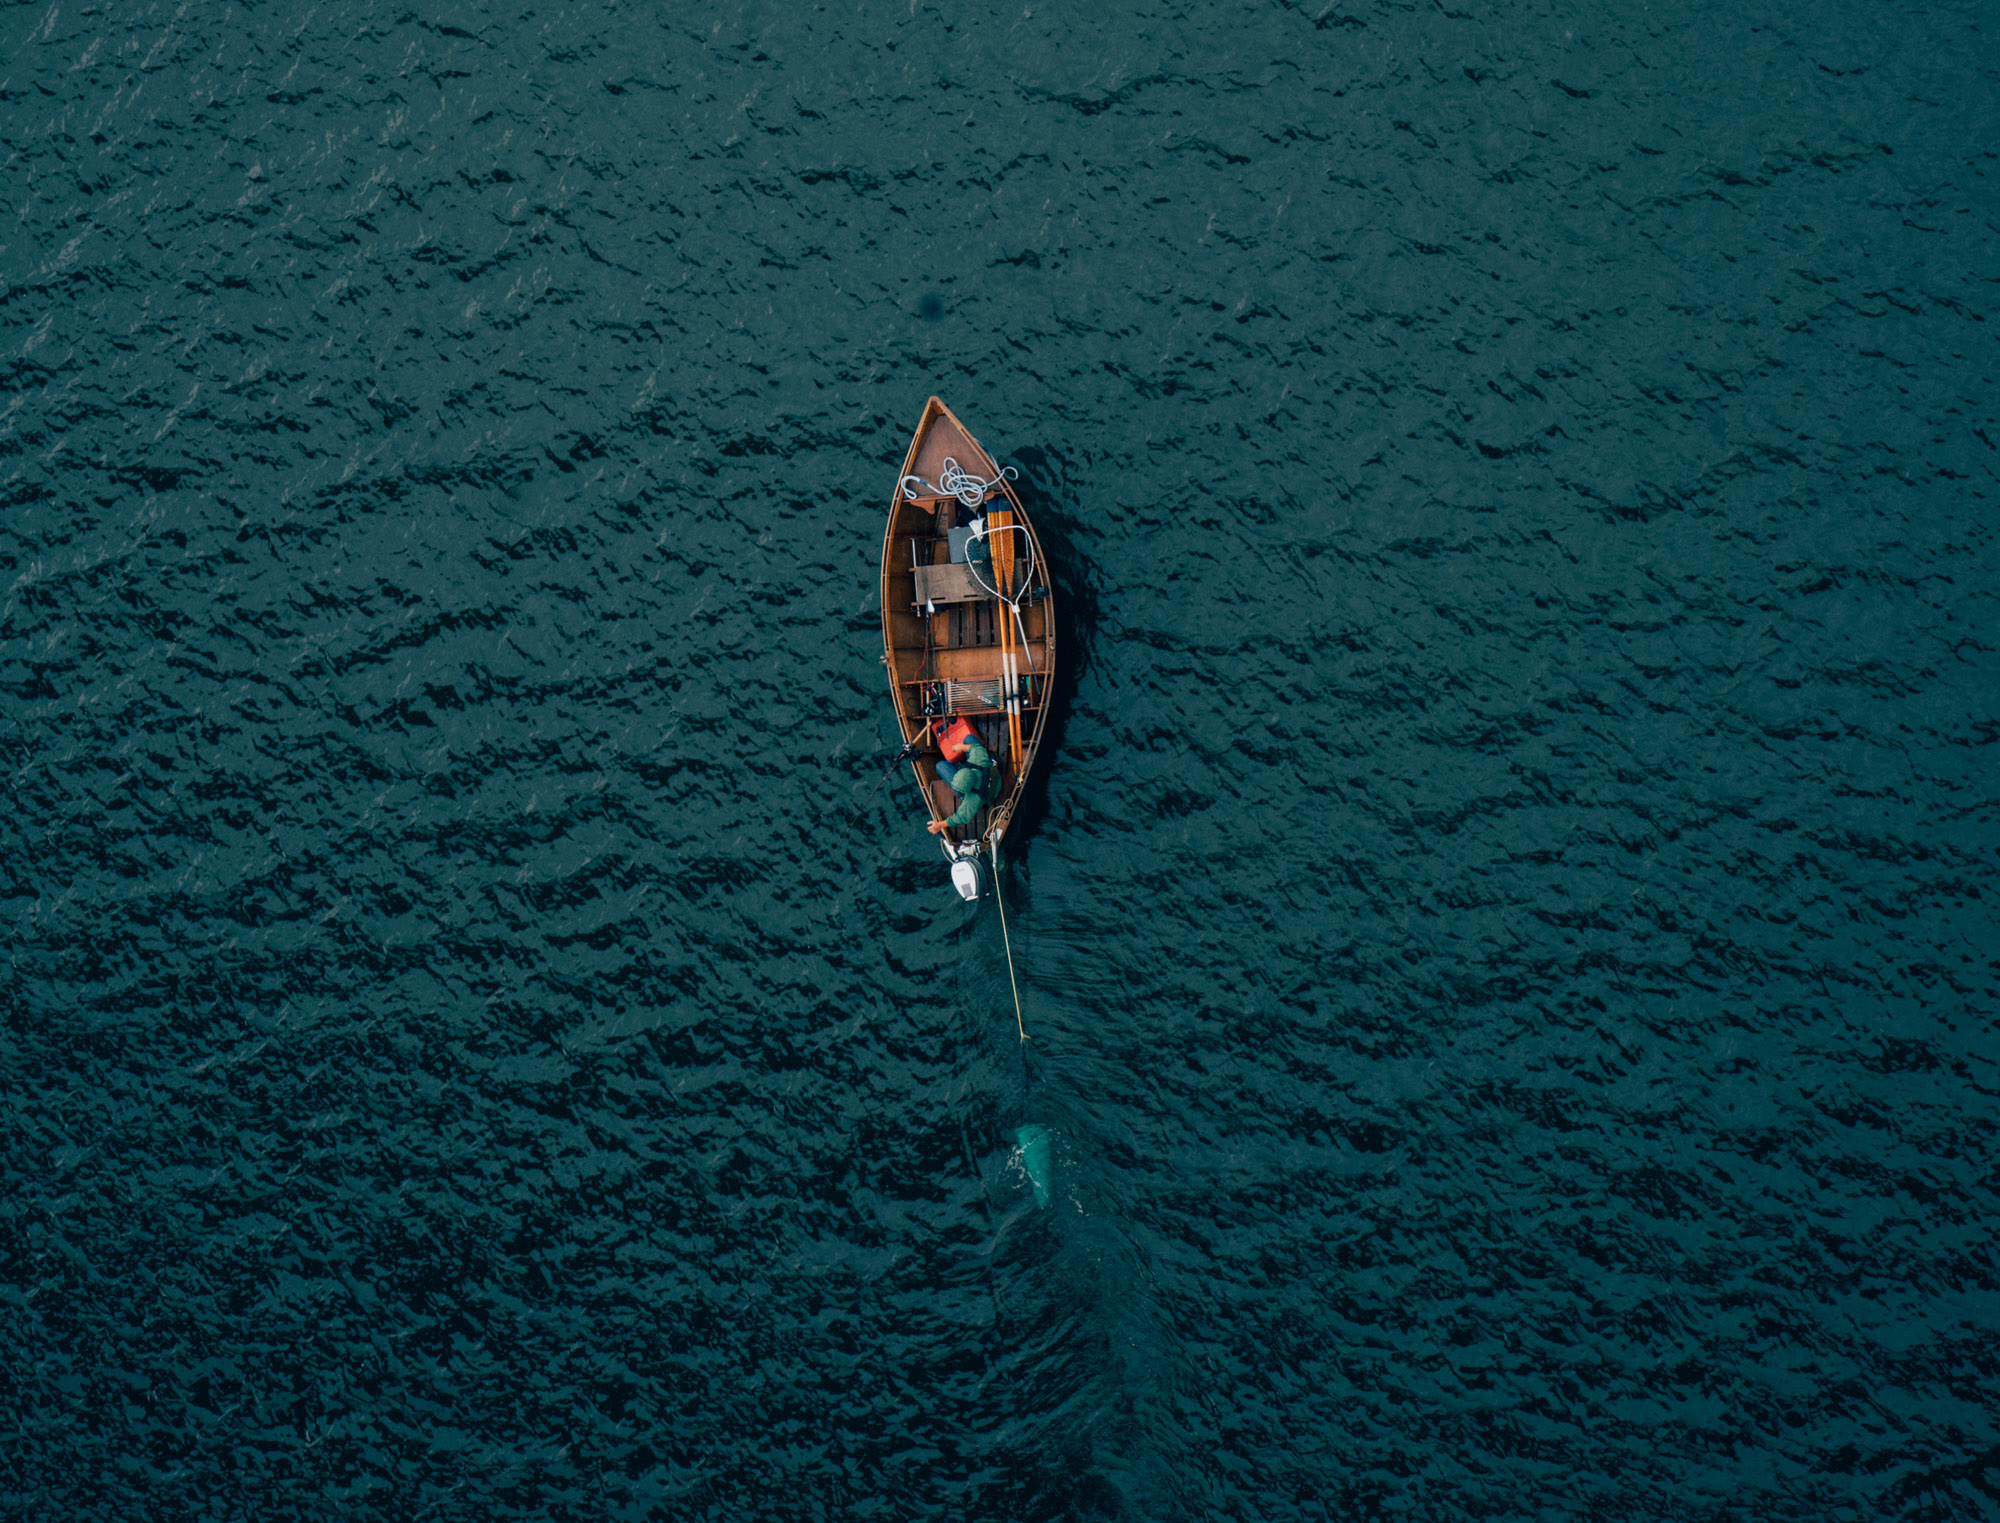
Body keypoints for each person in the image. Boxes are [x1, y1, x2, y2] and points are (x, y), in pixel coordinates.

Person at [927, 726, 992, 835]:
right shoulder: (980, 760)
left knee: (940, 766)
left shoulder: (973, 799)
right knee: (969, 738)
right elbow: (977, 748)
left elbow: (962, 817)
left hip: (985, 793)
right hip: (988, 776)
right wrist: (962, 747)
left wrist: (940, 825)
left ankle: (954, 765)